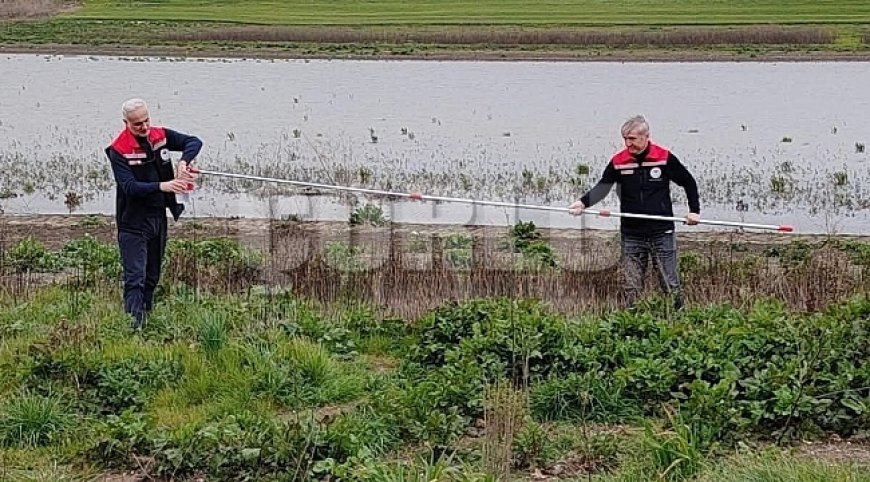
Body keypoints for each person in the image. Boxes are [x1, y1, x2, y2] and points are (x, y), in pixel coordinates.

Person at [569, 115, 700, 310]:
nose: (628, 143)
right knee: (631, 286)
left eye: (632, 139)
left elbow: (688, 182)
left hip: (661, 231)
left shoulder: (663, 158)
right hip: (632, 234)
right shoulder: (619, 161)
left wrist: (694, 211)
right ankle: (631, 322)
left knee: (669, 284)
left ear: (646, 136)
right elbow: (603, 187)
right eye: (625, 139)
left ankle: (679, 318)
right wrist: (582, 203)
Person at [106, 98, 201, 329]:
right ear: (126, 123)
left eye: (146, 120)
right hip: (133, 222)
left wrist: (183, 163)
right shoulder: (118, 150)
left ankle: (146, 320)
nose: (144, 127)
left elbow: (194, 141)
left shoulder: (160, 136)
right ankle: (133, 328)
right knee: (135, 279)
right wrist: (163, 186)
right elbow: (128, 187)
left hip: (158, 217)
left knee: (152, 276)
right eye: (137, 124)